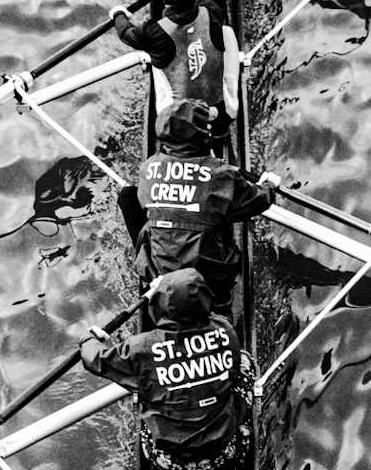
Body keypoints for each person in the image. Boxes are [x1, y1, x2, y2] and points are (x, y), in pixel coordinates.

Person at [80, 269, 249, 470]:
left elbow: (96, 359)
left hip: (168, 459)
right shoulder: (224, 329)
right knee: (244, 363)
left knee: (143, 386)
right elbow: (211, 324)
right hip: (224, 453)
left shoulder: (140, 348)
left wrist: (89, 339)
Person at [116, 102, 279, 314]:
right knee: (225, 210)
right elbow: (259, 201)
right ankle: (220, 299)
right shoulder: (221, 174)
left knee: (128, 195)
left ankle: (157, 279)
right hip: (209, 279)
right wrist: (270, 186)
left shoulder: (148, 168)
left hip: (160, 272)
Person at [111, 0, 235, 128]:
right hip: (217, 110)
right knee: (226, 32)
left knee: (153, 54)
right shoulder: (211, 10)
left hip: (179, 121)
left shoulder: (154, 32)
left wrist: (118, 13)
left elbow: (124, 32)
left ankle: (171, 123)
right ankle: (223, 121)